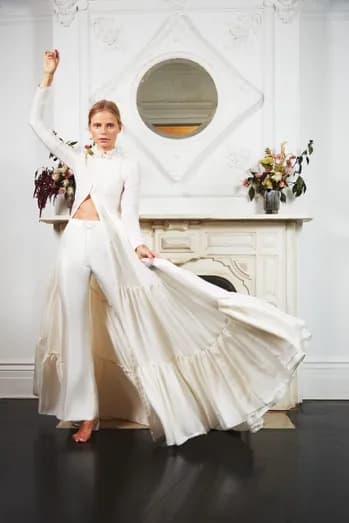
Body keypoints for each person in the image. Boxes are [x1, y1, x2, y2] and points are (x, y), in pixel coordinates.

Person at [30, 49, 309, 446]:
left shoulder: (129, 165)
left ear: (120, 128)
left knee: (137, 319)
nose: (103, 130)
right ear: (89, 128)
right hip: (75, 242)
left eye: (110, 124)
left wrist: (140, 247)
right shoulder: (79, 158)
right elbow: (36, 124)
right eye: (97, 124)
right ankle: (85, 415)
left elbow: (129, 215)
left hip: (110, 246)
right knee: (75, 330)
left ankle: (169, 403)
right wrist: (48, 76)